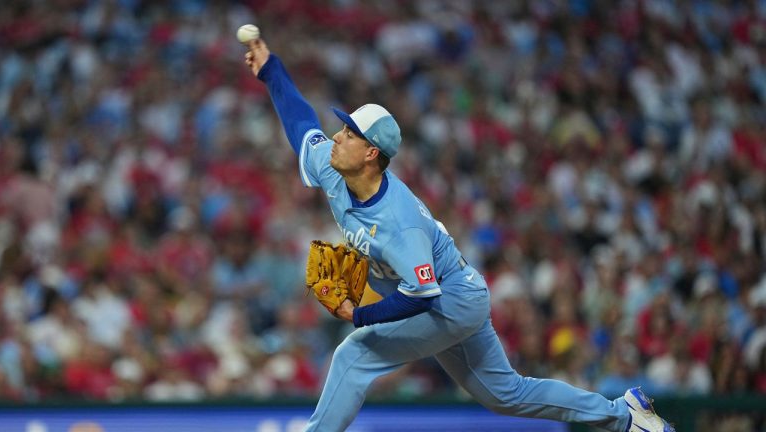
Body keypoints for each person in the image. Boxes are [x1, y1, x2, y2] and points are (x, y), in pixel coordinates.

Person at [242, 35, 675, 432]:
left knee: (353, 355)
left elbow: (422, 294)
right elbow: (301, 124)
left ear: (371, 153)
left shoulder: (399, 220)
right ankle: (625, 415)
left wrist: (359, 316)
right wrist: (272, 69)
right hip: (459, 292)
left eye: (349, 133)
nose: (336, 137)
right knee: (508, 394)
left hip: (448, 302)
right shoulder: (334, 168)